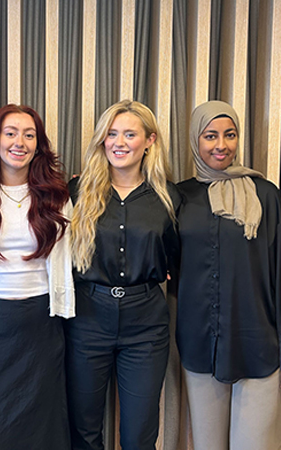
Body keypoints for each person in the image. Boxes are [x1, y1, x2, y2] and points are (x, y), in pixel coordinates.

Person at [65, 99, 180, 450]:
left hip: (145, 322)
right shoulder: (76, 192)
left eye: (130, 134)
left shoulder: (169, 198)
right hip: (87, 318)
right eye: (111, 134)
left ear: (150, 141)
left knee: (139, 434)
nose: (119, 142)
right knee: (83, 429)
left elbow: (178, 259)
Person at [0, 104, 75, 449]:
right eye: (10, 133)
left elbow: (65, 258)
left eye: (29, 135)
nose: (19, 142)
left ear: (38, 145)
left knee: (41, 418)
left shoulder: (56, 196)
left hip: (41, 320)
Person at [176, 100, 281, 450]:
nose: (221, 144)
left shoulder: (266, 195)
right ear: (195, 139)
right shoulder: (180, 197)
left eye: (230, 135)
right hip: (200, 342)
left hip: (258, 343)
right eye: (210, 136)